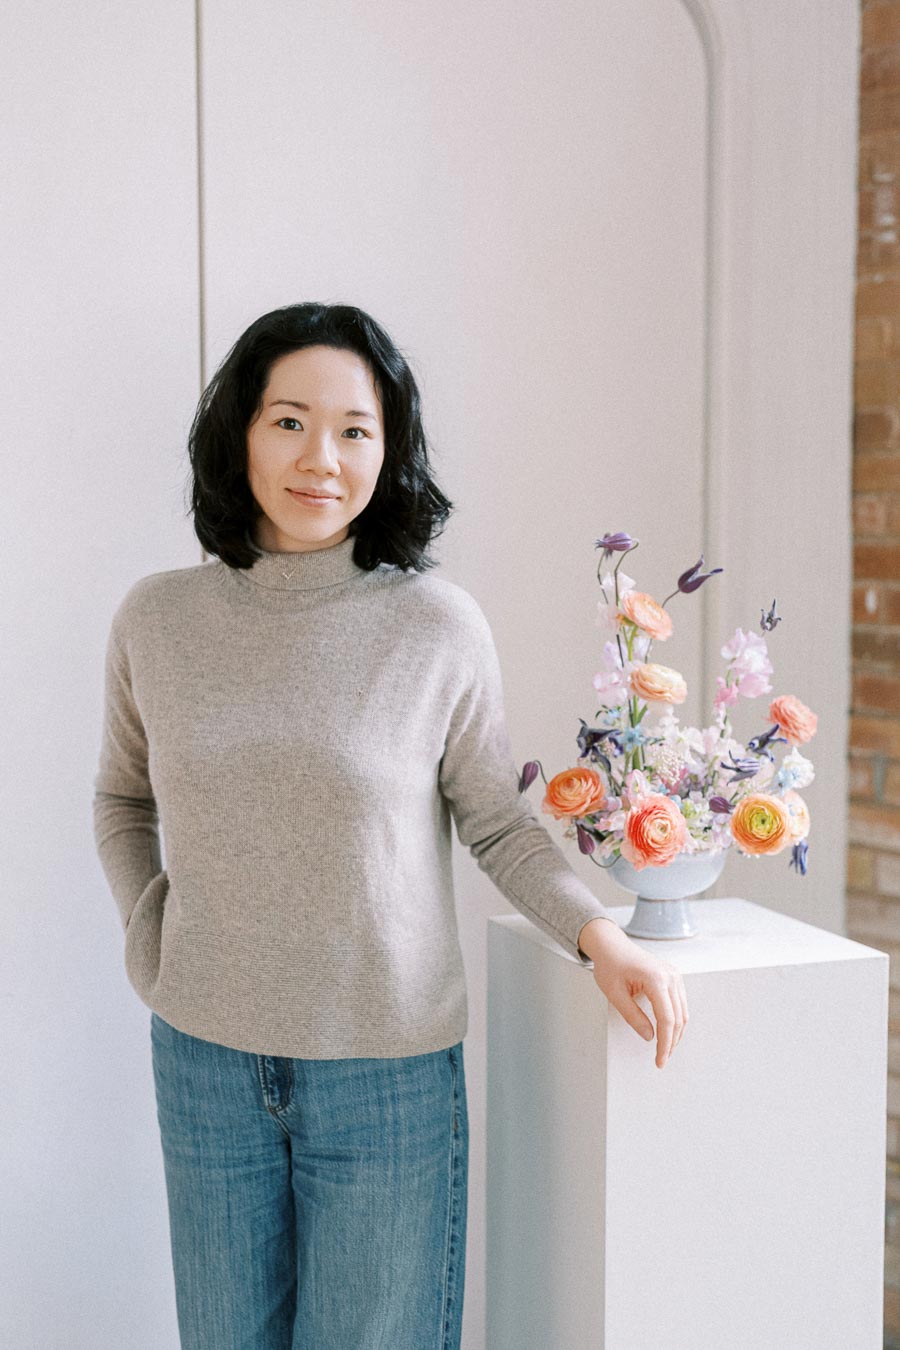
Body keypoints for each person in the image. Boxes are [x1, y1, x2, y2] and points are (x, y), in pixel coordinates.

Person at [92, 300, 688, 1350]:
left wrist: (600, 935)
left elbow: (496, 823)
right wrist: (153, 935)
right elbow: (122, 798)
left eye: (354, 429)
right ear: (239, 433)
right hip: (204, 1063)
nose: (320, 458)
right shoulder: (159, 618)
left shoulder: (435, 624)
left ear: (388, 447)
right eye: (289, 421)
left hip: (384, 1075)